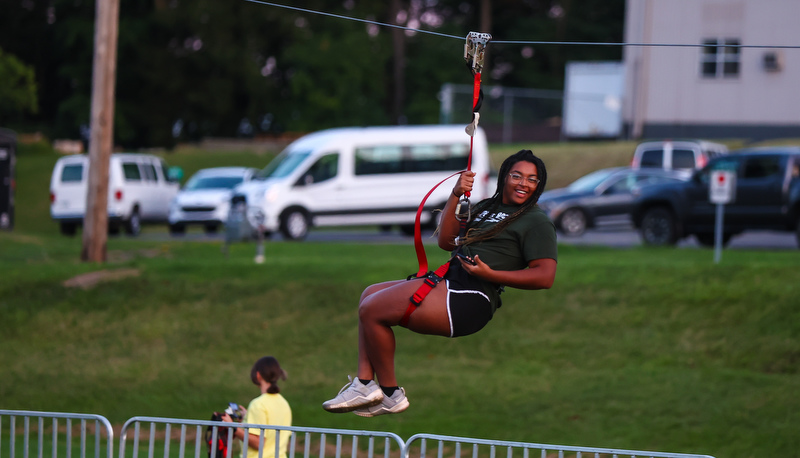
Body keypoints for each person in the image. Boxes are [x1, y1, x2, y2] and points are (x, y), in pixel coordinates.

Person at [322, 149, 557, 417]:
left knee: (373, 309)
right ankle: (364, 383)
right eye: (517, 176)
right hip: (451, 280)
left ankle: (389, 394)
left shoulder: (536, 221)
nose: (523, 184)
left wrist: (491, 274)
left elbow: (544, 276)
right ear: (504, 176)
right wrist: (456, 194)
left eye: (532, 179)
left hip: (472, 296)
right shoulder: (483, 208)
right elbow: (447, 242)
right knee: (369, 295)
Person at [222, 356, 292, 458]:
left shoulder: (258, 405)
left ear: (258, 375)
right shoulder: (284, 404)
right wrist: (247, 419)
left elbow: (258, 443)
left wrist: (232, 427)